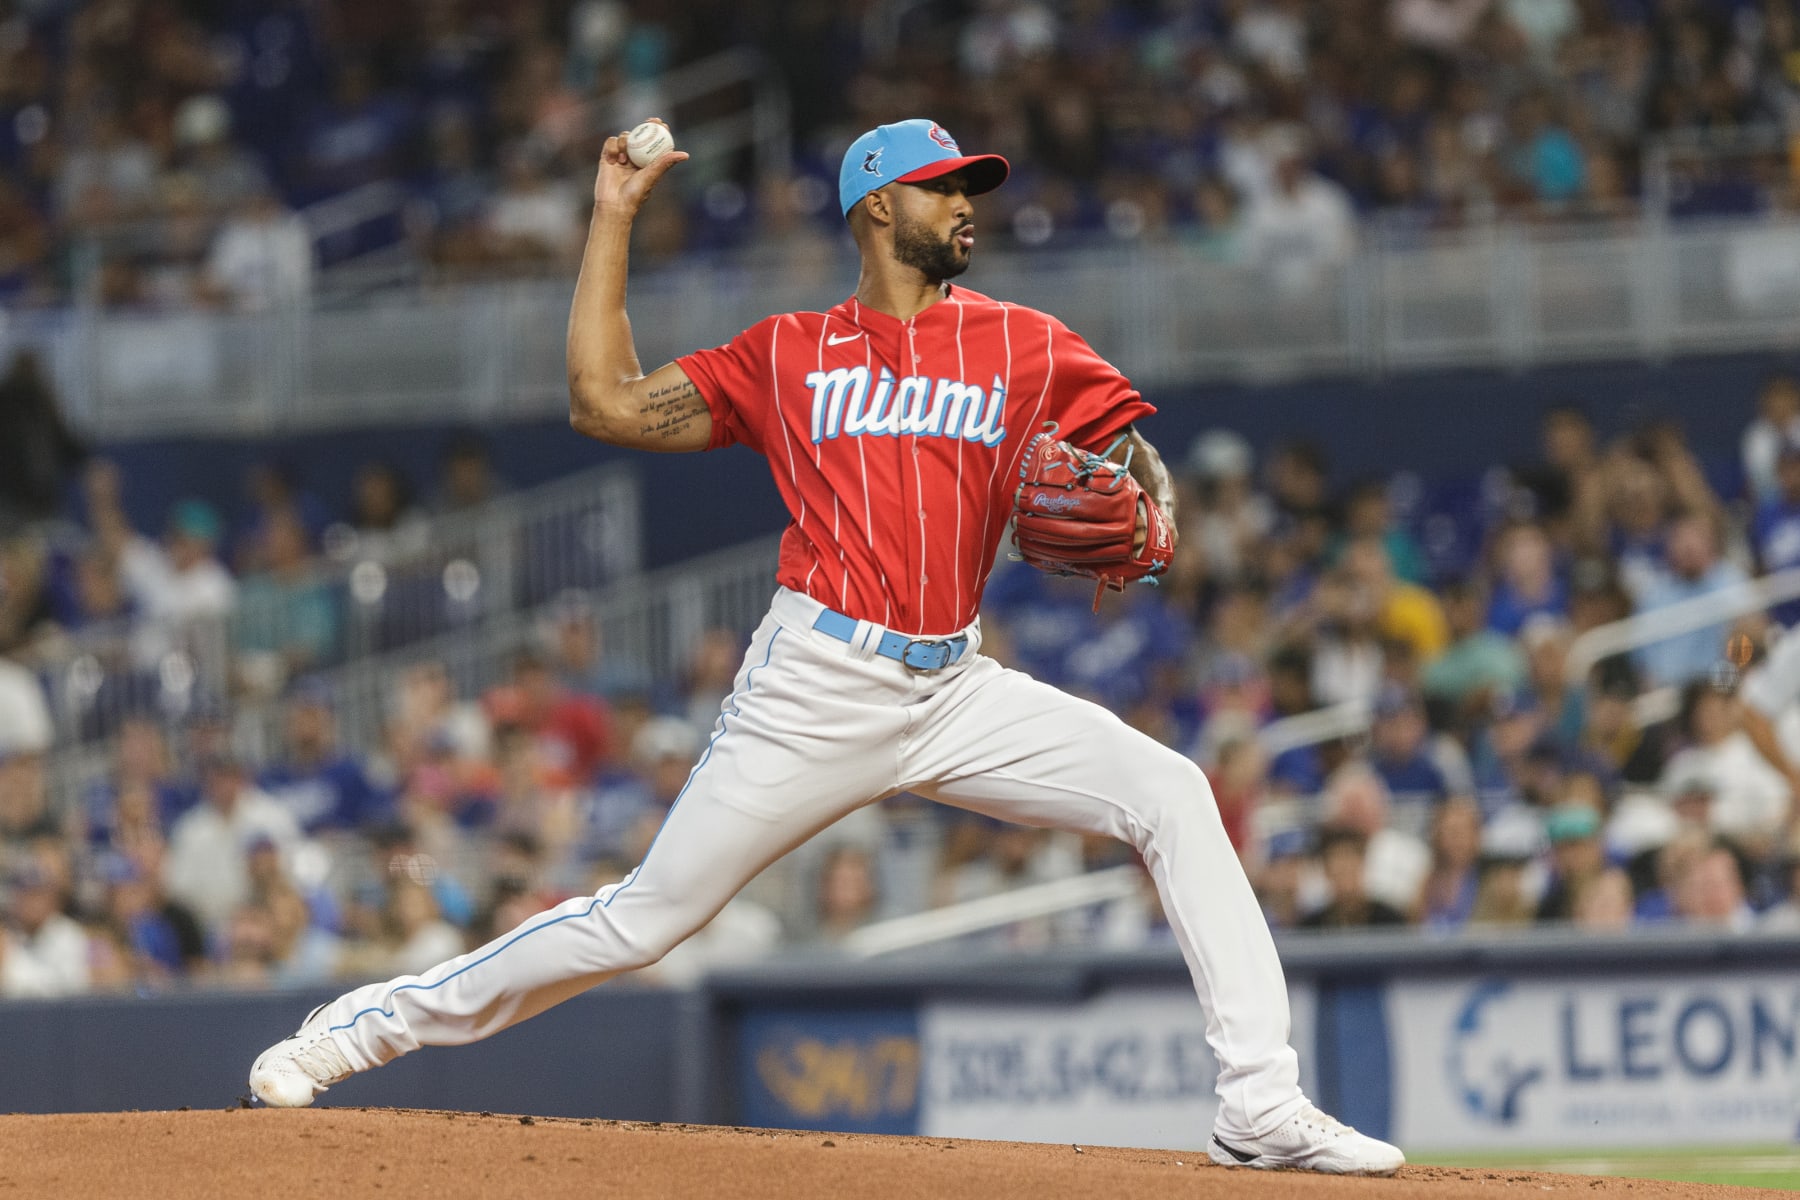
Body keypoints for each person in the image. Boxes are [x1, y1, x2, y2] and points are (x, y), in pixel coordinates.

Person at [248, 117, 1403, 1176]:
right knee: (647, 916)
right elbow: (605, 401)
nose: (965, 206)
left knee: (1173, 792)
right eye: (940, 188)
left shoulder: (1024, 343)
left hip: (956, 683)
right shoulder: (789, 353)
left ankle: (1258, 1100)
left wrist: (1154, 511)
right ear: (872, 208)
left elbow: (1138, 458)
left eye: (969, 189)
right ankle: (352, 1033)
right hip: (815, 682)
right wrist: (613, 214)